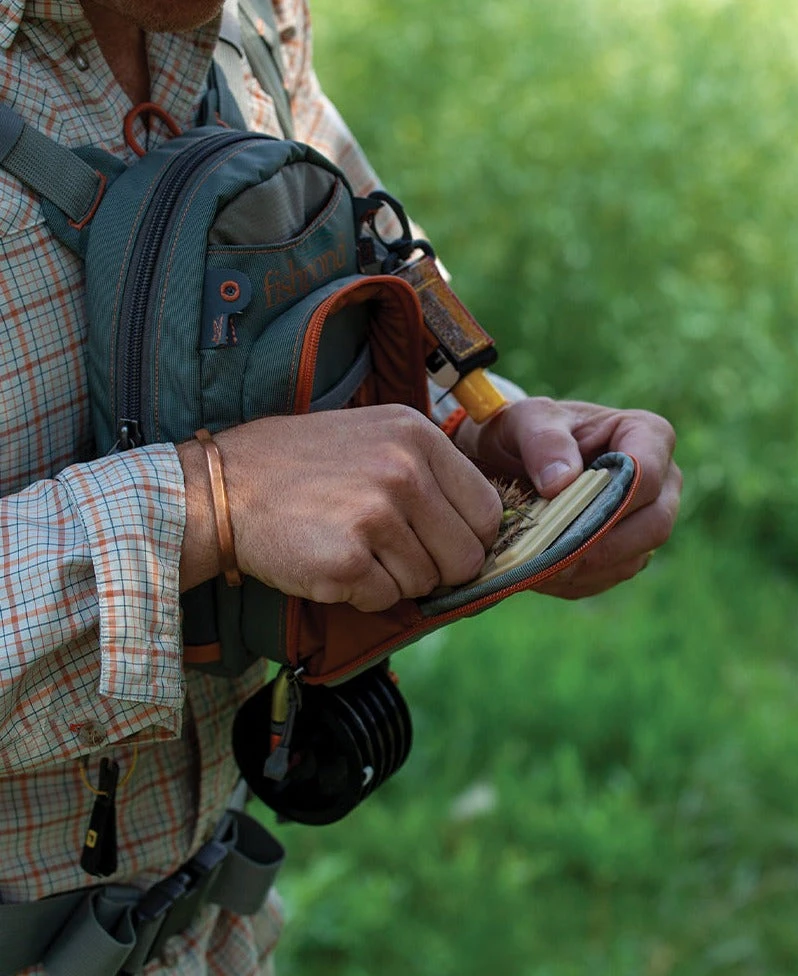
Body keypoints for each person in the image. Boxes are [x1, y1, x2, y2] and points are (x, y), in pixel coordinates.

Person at [0, 0, 682, 972]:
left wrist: (478, 438)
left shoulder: (250, 22)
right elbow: (240, 490)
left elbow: (360, 263)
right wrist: (209, 504)